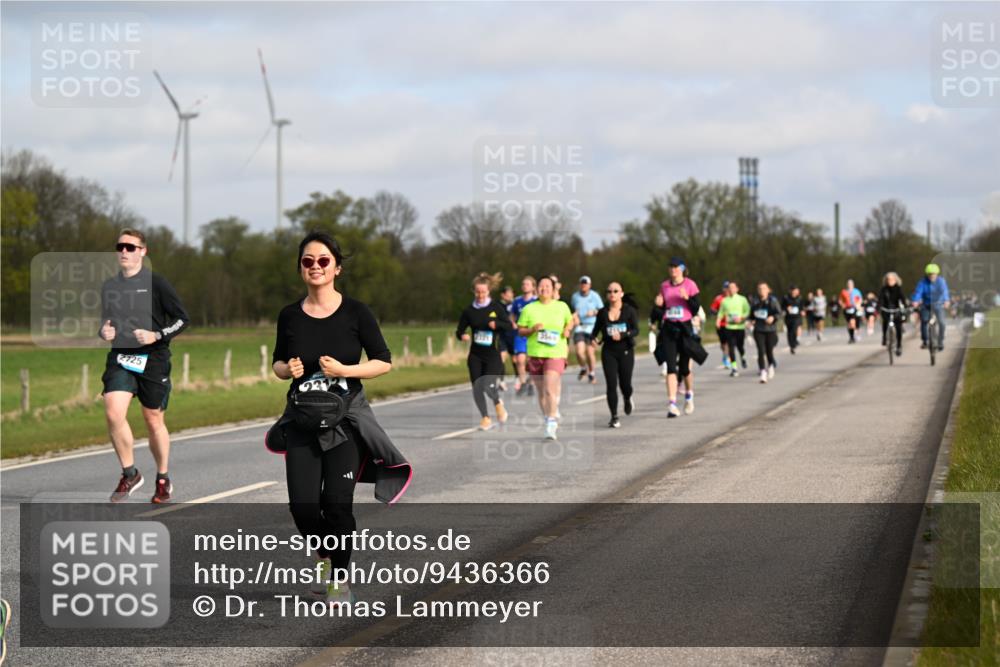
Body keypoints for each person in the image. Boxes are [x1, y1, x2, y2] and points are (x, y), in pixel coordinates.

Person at [270, 231, 411, 607]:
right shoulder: (289, 315)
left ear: (336, 268)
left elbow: (383, 362)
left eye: (323, 261)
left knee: (336, 505)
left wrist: (346, 370)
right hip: (302, 421)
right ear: (301, 268)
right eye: (307, 261)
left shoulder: (356, 313)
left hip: (345, 422)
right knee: (303, 508)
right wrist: (287, 369)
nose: (315, 266)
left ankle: (340, 579)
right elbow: (278, 363)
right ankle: (324, 555)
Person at [100, 229, 189, 504]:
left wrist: (156, 335)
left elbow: (182, 319)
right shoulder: (109, 287)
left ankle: (162, 478)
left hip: (154, 358)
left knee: (153, 419)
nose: (124, 252)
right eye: (120, 247)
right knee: (113, 412)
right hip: (122, 358)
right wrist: (103, 331)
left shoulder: (157, 283)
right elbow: (106, 322)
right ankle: (130, 473)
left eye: (130, 247)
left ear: (143, 251)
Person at [517, 276, 574, 440]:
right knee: (541, 392)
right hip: (536, 354)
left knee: (549, 388)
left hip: (556, 353)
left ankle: (551, 422)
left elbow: (570, 321)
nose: (544, 289)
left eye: (548, 286)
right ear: (537, 289)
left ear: (553, 289)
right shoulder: (529, 309)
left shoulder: (561, 306)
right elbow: (520, 330)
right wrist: (532, 330)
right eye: (541, 286)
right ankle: (548, 416)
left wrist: (567, 330)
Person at [456, 273, 512, 431]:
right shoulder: (469, 311)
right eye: (478, 292)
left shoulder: (495, 307)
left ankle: (497, 403)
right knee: (477, 386)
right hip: (475, 354)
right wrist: (462, 335)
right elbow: (459, 330)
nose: (480, 295)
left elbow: (508, 326)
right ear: (474, 291)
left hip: (492, 354)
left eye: (483, 292)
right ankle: (485, 418)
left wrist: (497, 324)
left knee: (488, 385)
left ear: (489, 291)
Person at [655, 257, 701, 417]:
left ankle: (689, 395)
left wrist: (687, 298)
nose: (672, 270)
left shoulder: (690, 284)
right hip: (669, 328)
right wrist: (658, 304)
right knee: (670, 367)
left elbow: (695, 308)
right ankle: (672, 404)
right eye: (670, 267)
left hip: (685, 328)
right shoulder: (664, 286)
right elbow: (660, 310)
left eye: (675, 267)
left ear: (682, 269)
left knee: (685, 368)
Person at [591, 282, 639, 428]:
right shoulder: (602, 312)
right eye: (609, 291)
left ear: (621, 294)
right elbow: (595, 331)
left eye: (615, 291)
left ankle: (627, 397)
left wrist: (623, 334)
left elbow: (636, 330)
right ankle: (614, 416)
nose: (612, 294)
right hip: (609, 351)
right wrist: (593, 339)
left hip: (626, 350)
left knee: (625, 384)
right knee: (611, 384)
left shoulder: (629, 311)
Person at [570, 276, 604, 384]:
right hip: (580, 326)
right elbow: (573, 311)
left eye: (585, 284)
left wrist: (594, 312)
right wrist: (574, 318)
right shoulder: (575, 297)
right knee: (579, 352)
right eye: (582, 283)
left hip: (591, 326)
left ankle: (592, 374)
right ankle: (583, 368)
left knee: (590, 352)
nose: (583, 286)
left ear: (590, 285)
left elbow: (602, 311)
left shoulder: (595, 296)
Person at [911, 263, 950, 350]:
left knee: (942, 323)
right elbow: (918, 292)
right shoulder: (923, 282)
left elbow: (944, 291)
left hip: (938, 304)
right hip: (926, 304)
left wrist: (946, 300)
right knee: (924, 321)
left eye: (934, 274)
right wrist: (915, 301)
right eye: (930, 274)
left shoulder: (941, 281)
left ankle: (940, 341)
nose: (932, 276)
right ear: (927, 274)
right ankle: (925, 341)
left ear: (937, 274)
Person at [509, 276, 537, 396]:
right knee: (520, 360)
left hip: (532, 335)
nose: (525, 286)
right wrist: (513, 323)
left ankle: (531, 383)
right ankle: (523, 382)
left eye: (527, 284)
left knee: (532, 361)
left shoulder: (536, 301)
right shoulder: (517, 301)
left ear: (533, 287)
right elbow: (512, 315)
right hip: (520, 334)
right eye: (523, 284)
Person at [748, 282, 781, 383]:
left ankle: (771, 366)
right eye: (760, 289)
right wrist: (750, 321)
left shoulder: (773, 301)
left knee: (769, 351)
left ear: (768, 290)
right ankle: (763, 372)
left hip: (770, 330)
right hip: (759, 330)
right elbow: (751, 315)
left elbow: (779, 313)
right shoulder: (755, 302)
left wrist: (773, 318)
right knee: (760, 351)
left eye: (764, 288)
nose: (762, 290)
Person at [716, 280, 750, 377]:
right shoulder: (724, 301)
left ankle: (742, 357)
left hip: (740, 327)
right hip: (729, 327)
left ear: (737, 289)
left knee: (740, 346)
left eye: (733, 287)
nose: (730, 289)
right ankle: (734, 368)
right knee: (731, 348)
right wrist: (718, 321)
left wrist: (741, 318)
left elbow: (747, 311)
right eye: (729, 288)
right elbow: (721, 312)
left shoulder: (742, 299)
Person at [879, 272, 907, 356]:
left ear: (895, 280)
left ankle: (899, 345)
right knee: (885, 322)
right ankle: (884, 337)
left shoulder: (898, 289)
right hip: (886, 309)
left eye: (891, 279)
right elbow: (880, 299)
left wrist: (905, 306)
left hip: (896, 309)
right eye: (888, 279)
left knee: (898, 327)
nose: (890, 281)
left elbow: (902, 298)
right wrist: (879, 306)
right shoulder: (884, 289)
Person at [497, 285, 516, 388]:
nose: (510, 296)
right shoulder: (498, 305)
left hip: (513, 335)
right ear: (503, 295)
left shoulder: (515, 304)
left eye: (511, 294)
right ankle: (501, 381)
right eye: (508, 294)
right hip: (502, 335)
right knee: (501, 357)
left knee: (515, 359)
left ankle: (518, 379)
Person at [710, 281, 732, 371]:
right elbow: (712, 309)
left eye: (728, 288)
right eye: (725, 288)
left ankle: (728, 358)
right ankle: (725, 355)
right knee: (723, 343)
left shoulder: (734, 298)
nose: (726, 290)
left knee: (729, 342)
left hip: (731, 324)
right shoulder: (719, 298)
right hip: (721, 324)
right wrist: (719, 313)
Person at [649, 293, 668, 377]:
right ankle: (665, 367)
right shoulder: (655, 309)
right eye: (657, 298)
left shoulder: (669, 307)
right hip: (662, 332)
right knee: (660, 350)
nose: (657, 300)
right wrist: (652, 325)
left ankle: (674, 365)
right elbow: (651, 320)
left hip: (673, 330)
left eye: (660, 298)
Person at [839, 279, 864, 343]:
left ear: (853, 285)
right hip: (846, 309)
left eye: (851, 284)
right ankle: (851, 337)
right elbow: (840, 300)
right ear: (847, 285)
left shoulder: (856, 291)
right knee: (849, 324)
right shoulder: (844, 291)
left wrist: (859, 305)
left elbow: (860, 299)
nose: (849, 285)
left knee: (852, 322)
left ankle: (855, 335)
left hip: (854, 308)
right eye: (848, 284)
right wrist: (842, 305)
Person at [781, 285, 804, 354]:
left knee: (794, 329)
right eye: (793, 290)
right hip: (788, 317)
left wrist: (802, 311)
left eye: (795, 290)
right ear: (790, 291)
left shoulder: (799, 298)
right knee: (789, 331)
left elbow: (801, 307)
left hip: (797, 317)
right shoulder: (785, 298)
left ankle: (794, 343)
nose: (794, 292)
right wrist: (786, 308)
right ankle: (791, 345)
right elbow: (782, 306)